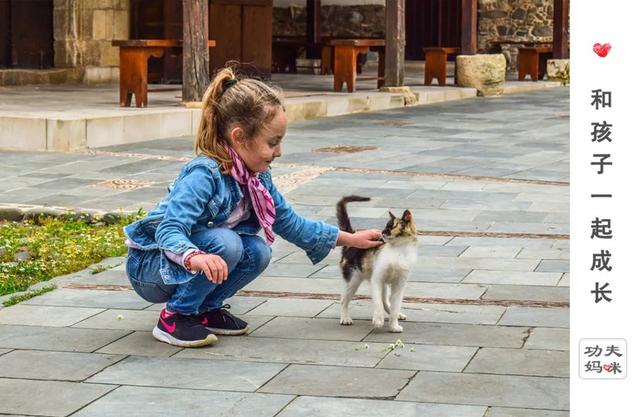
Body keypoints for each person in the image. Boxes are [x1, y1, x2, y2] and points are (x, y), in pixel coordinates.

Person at [124, 67, 383, 348]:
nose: (279, 152)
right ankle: (175, 317)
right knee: (228, 242)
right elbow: (169, 229)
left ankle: (205, 309)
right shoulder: (204, 174)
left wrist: (352, 240)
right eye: (273, 142)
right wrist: (195, 257)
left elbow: (291, 223)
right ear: (239, 137)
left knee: (258, 251)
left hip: (191, 262)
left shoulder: (256, 178)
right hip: (152, 267)